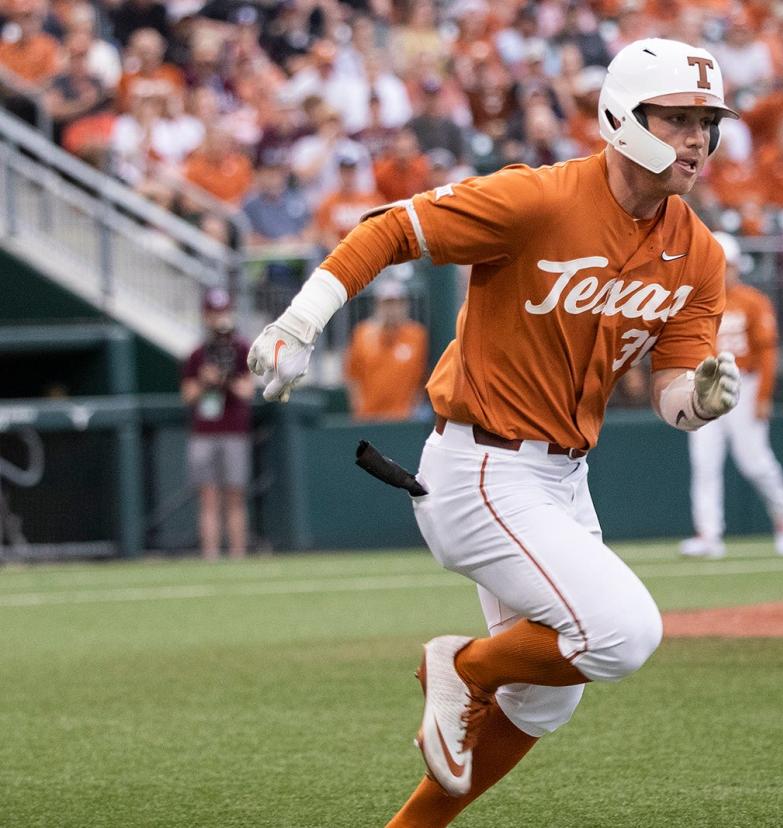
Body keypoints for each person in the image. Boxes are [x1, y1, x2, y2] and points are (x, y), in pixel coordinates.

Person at [245, 38, 741, 827]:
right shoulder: (538, 199)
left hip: (561, 480)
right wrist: (299, 323)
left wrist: (704, 399)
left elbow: (675, 396)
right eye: (677, 117)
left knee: (547, 704)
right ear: (622, 117)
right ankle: (461, 666)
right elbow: (392, 228)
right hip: (481, 468)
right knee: (622, 633)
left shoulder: (698, 252)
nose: (696, 138)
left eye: (706, 121)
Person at [680, 232, 783, 560]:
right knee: (704, 462)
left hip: (742, 384)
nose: (721, 273)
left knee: (755, 462)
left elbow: (767, 352)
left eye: (726, 266)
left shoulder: (752, 300)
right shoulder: (696, 302)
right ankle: (708, 533)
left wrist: (763, 395)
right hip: (705, 386)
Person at [180, 289, 253, 561]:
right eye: (214, 313)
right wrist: (204, 380)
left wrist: (224, 379)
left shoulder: (242, 349)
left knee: (235, 496)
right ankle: (210, 556)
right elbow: (187, 394)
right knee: (208, 497)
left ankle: (237, 555)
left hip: (234, 431)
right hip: (205, 432)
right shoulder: (197, 355)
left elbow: (247, 390)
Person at [344, 279, 429, 421]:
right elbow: (352, 376)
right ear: (377, 306)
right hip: (369, 417)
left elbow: (422, 376)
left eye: (397, 303)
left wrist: (413, 407)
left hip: (404, 417)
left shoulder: (417, 335)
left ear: (405, 305)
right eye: (387, 304)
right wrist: (359, 410)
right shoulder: (362, 334)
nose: (392, 310)